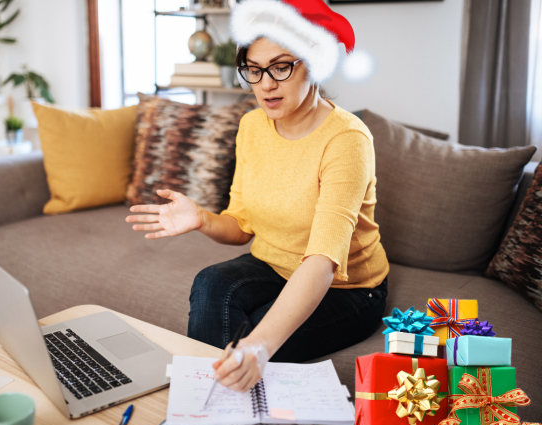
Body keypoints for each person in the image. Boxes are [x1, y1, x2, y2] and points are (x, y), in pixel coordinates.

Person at [126, 0, 389, 395]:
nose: (265, 84)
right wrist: (201, 218)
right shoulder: (252, 125)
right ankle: (207, 404)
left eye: (281, 67)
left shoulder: (346, 140)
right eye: (254, 69)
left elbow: (321, 263)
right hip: (272, 264)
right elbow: (241, 225)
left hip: (348, 290)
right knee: (211, 281)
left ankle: (206, 405)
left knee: (256, 338)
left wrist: (259, 346)